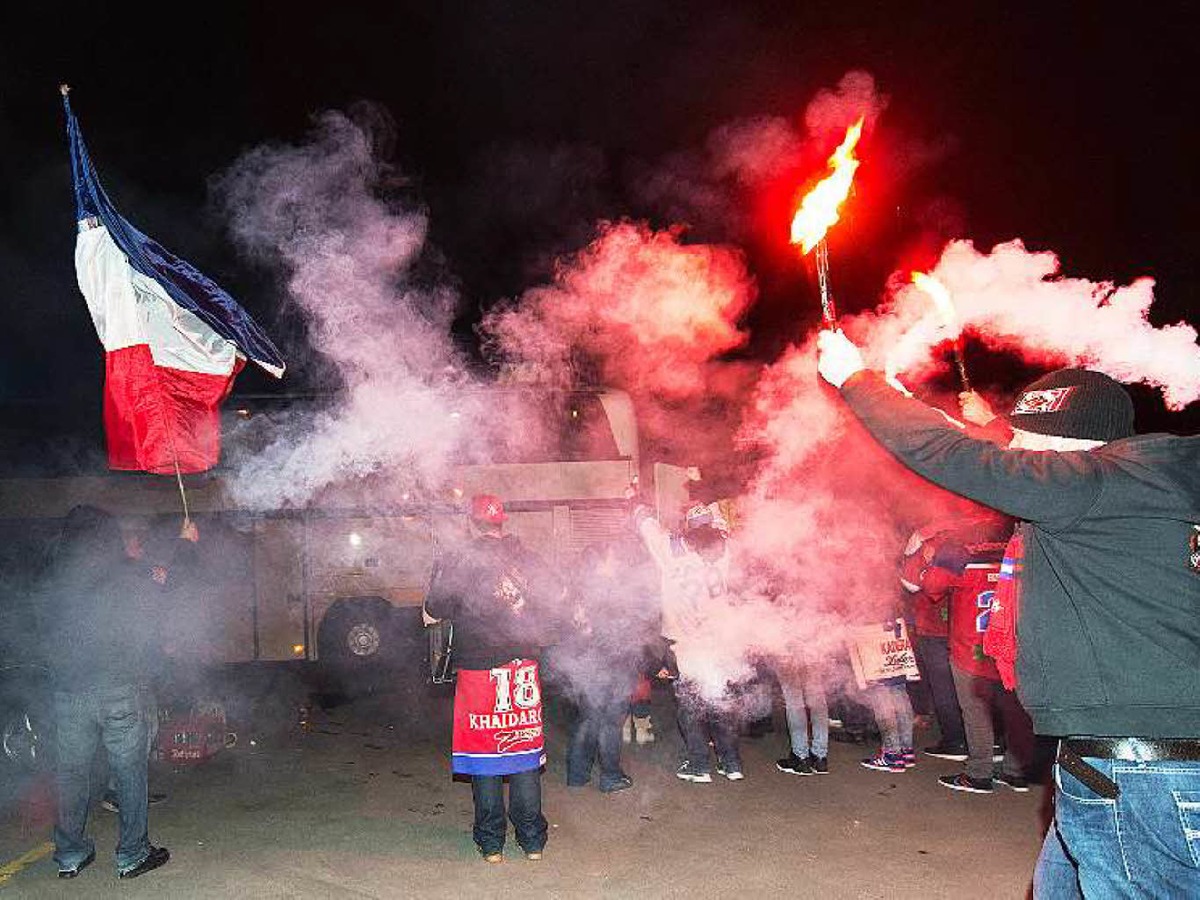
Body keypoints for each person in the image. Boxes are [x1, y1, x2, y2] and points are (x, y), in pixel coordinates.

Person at [818, 331, 1200, 897]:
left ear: (1064, 445)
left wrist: (858, 380)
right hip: (1128, 762)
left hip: (1139, 773)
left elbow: (963, 460)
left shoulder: (1091, 488)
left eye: (1021, 438)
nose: (1009, 446)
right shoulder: (1143, 483)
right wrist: (915, 404)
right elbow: (994, 455)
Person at [38, 505, 170, 880]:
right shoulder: (125, 574)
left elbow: (39, 629)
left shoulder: (50, 576)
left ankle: (69, 854)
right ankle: (132, 854)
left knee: (71, 773)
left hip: (68, 688)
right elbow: (148, 623)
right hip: (117, 687)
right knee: (128, 772)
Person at [424, 494, 554, 863]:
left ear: (472, 523)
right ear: (502, 522)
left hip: (481, 671)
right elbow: (552, 601)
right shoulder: (527, 557)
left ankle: (492, 844)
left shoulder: (463, 559)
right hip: (522, 668)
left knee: (486, 756)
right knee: (523, 754)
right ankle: (532, 842)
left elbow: (435, 607)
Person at [903, 509, 1036, 793]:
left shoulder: (957, 550)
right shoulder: (1022, 543)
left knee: (975, 710)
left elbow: (930, 587)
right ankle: (1015, 771)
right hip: (1012, 644)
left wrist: (927, 561)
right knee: (1014, 708)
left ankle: (979, 773)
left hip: (971, 645)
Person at [634, 499, 745, 783]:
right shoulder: (725, 552)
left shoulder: (671, 552)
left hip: (684, 644)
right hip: (720, 641)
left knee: (690, 705)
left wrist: (637, 501)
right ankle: (731, 764)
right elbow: (724, 522)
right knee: (720, 700)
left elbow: (648, 527)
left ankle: (699, 766)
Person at [555, 542, 640, 793]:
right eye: (612, 557)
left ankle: (577, 775)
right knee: (610, 720)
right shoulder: (607, 591)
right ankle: (611, 776)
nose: (616, 562)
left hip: (583, 665)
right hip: (609, 663)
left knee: (589, 718)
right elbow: (618, 632)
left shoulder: (574, 590)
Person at [899, 520, 968, 762]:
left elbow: (910, 583)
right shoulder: (975, 538)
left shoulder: (928, 541)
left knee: (943, 687)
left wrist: (916, 554)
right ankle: (986, 742)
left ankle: (955, 740)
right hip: (965, 626)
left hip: (934, 625)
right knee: (974, 687)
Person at [774, 655, 830, 775]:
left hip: (788, 649)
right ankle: (820, 757)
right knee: (817, 698)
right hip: (814, 647)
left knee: (794, 700)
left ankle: (801, 757)